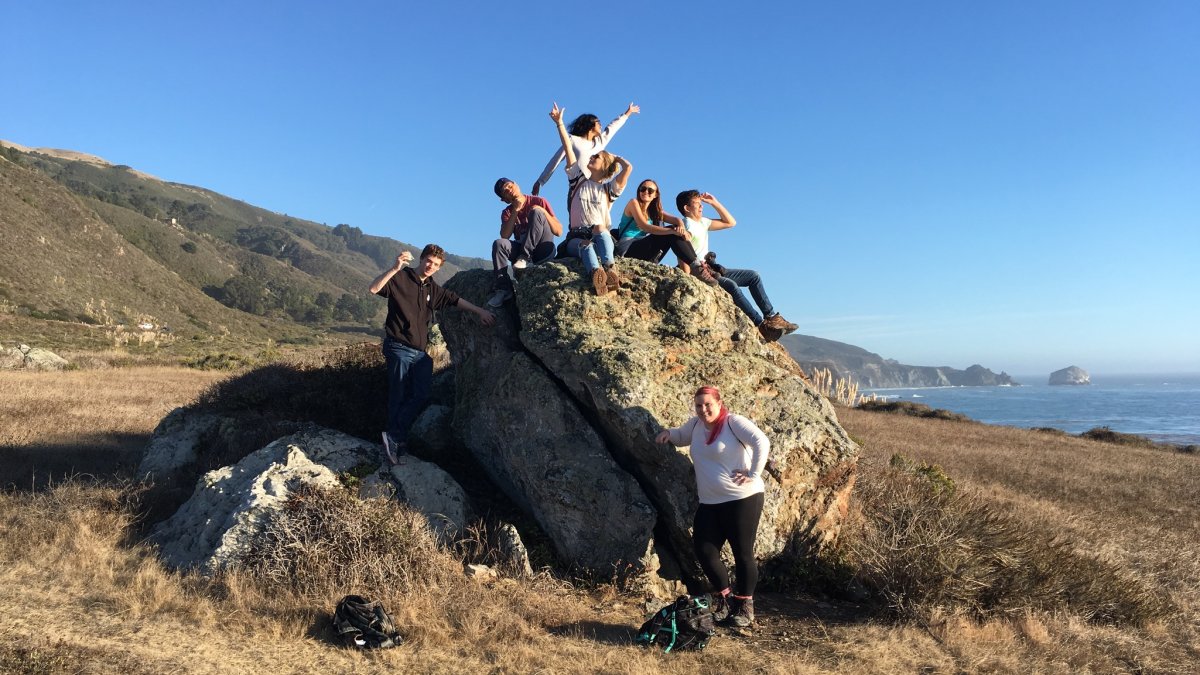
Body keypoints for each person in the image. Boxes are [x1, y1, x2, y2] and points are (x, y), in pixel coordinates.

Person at [655, 385, 769, 628]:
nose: (703, 409)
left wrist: (753, 473)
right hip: (710, 502)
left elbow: (761, 441)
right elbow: (681, 436)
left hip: (743, 499)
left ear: (719, 403)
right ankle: (725, 599)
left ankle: (745, 607)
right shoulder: (695, 425)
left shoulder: (733, 423)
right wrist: (668, 434)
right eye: (699, 405)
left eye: (708, 404)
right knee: (704, 550)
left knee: (742, 553)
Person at [369, 244, 495, 464]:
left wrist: (480, 311)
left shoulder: (432, 288)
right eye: (429, 261)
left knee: (420, 394)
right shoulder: (401, 278)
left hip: (419, 352)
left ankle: (395, 436)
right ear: (421, 259)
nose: (431, 266)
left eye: (436, 265)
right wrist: (394, 268)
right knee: (398, 394)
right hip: (398, 347)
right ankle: (395, 438)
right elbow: (373, 288)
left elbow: (456, 300)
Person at [675, 190, 798, 342]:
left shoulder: (703, 222)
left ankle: (771, 317)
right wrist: (688, 277)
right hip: (699, 272)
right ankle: (761, 325)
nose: (701, 207)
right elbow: (681, 254)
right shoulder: (686, 225)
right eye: (697, 204)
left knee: (754, 276)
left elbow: (730, 222)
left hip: (710, 268)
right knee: (732, 286)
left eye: (701, 204)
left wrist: (715, 202)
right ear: (687, 208)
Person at [549, 102, 631, 295]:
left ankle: (610, 269)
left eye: (597, 157)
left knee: (601, 228)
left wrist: (615, 158)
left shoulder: (608, 190)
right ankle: (598, 275)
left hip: (600, 236)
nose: (591, 157)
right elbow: (568, 148)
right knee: (586, 246)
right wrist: (559, 123)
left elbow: (628, 168)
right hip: (576, 238)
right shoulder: (577, 178)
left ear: (605, 166)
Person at [532, 102, 640, 206]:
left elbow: (613, 127)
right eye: (599, 123)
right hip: (577, 189)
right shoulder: (573, 140)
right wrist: (540, 181)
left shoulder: (599, 142)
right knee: (576, 224)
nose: (601, 125)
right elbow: (555, 160)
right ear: (590, 125)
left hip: (596, 190)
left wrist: (627, 113)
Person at [614, 179, 718, 286]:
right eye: (643, 189)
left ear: (656, 195)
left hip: (644, 251)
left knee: (675, 230)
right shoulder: (633, 203)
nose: (646, 192)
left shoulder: (654, 210)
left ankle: (698, 268)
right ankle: (697, 268)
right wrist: (673, 231)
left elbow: (676, 220)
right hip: (627, 249)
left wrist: (681, 229)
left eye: (650, 190)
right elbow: (645, 226)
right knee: (672, 232)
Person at [487, 177, 563, 308]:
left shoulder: (538, 201)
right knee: (499, 244)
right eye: (505, 191)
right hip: (522, 248)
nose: (510, 190)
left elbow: (559, 231)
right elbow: (505, 235)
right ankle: (503, 289)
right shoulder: (507, 212)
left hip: (543, 249)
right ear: (504, 200)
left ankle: (524, 257)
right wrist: (515, 210)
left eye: (510, 186)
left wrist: (542, 211)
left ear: (516, 184)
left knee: (536, 211)